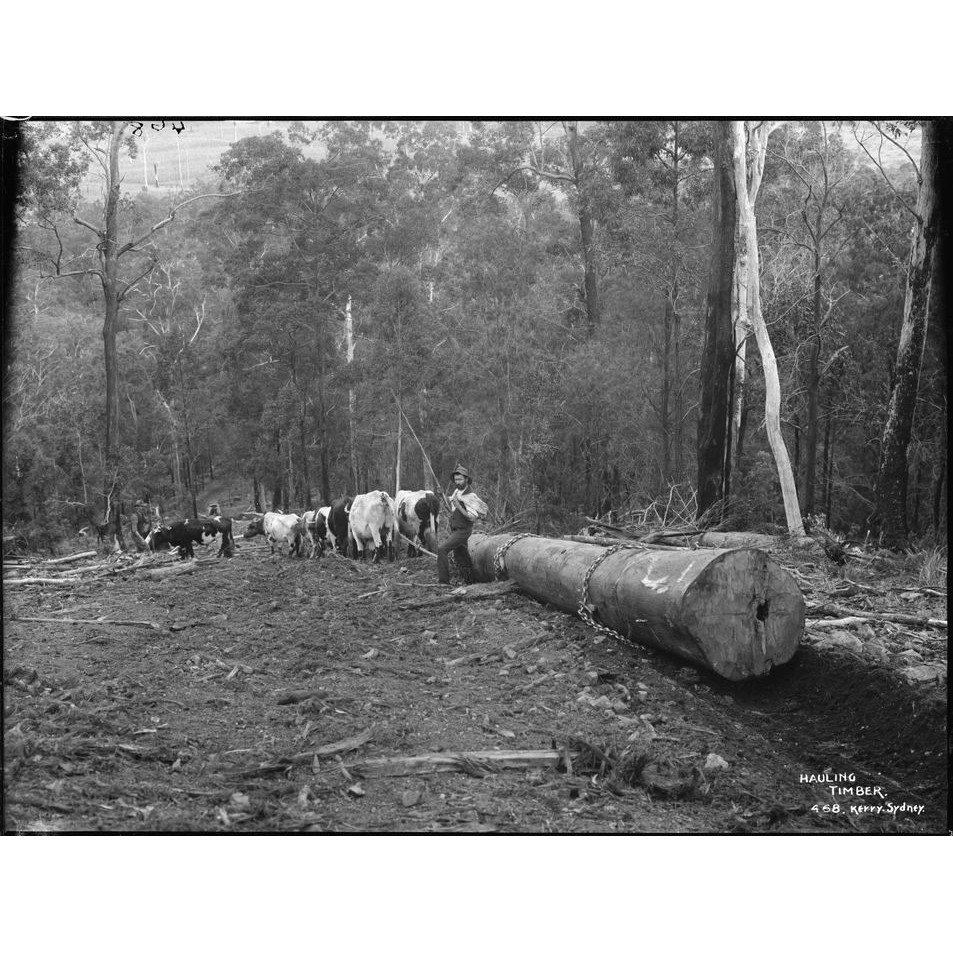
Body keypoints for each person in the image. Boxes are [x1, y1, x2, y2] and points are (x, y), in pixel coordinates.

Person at [437, 465, 486, 586]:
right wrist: (442, 495)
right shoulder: (457, 492)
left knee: (442, 549)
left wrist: (459, 506)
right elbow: (451, 508)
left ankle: (444, 582)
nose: (457, 482)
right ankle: (472, 581)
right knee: (462, 556)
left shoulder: (470, 497)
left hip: (463, 530)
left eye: (460, 480)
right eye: (456, 479)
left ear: (466, 480)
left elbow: (472, 517)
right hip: (455, 530)